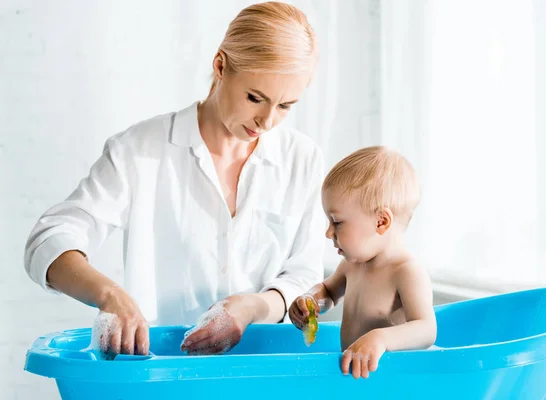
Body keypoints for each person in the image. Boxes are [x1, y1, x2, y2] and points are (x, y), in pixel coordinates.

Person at [24, 1, 325, 357]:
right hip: (162, 374)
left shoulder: (302, 160)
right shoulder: (139, 151)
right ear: (220, 66)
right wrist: (110, 295)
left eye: (286, 105)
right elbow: (48, 239)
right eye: (254, 97)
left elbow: (304, 277)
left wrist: (251, 308)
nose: (267, 120)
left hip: (260, 369)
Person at [289, 146, 437, 379]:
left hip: (391, 381)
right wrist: (311, 300)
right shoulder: (352, 265)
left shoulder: (406, 272)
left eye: (337, 222)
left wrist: (381, 338)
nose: (328, 233)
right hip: (357, 378)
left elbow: (426, 329)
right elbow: (328, 291)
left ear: (381, 222)